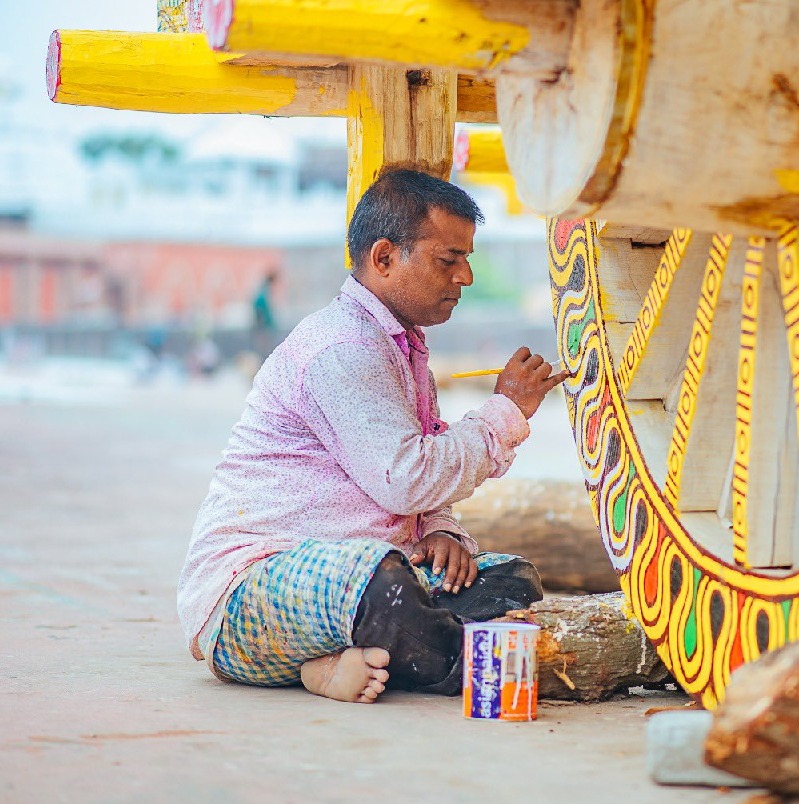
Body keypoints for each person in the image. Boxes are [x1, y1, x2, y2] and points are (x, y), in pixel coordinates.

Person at [177, 167, 567, 703]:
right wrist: (506, 411)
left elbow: (416, 468)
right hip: (255, 588)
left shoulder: (401, 347)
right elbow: (406, 478)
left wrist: (440, 531)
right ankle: (459, 662)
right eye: (449, 260)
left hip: (365, 571)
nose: (466, 278)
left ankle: (358, 659)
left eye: (467, 259)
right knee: (384, 584)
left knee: (509, 581)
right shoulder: (341, 347)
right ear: (384, 258)